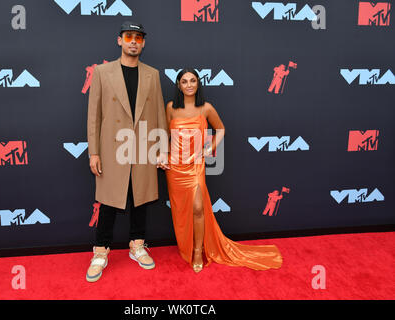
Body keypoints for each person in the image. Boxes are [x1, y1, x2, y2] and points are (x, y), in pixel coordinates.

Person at [163, 69, 283, 273]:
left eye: (193, 80)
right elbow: (167, 134)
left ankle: (199, 251)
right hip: (175, 167)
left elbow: (221, 129)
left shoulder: (206, 108)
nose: (189, 84)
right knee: (181, 210)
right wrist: (163, 155)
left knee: (198, 208)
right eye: (184, 81)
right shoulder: (171, 107)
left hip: (195, 165)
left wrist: (209, 147)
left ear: (198, 83)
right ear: (178, 85)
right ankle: (186, 247)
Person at [86, 21, 168, 282]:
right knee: (109, 200)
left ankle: (137, 245)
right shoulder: (102, 72)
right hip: (112, 147)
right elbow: (94, 115)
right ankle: (100, 251)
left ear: (143, 43)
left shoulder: (152, 74)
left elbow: (158, 114)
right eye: (129, 36)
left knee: (140, 198)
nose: (134, 41)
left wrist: (161, 149)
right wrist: (94, 152)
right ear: (119, 40)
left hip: (143, 145)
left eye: (139, 38)